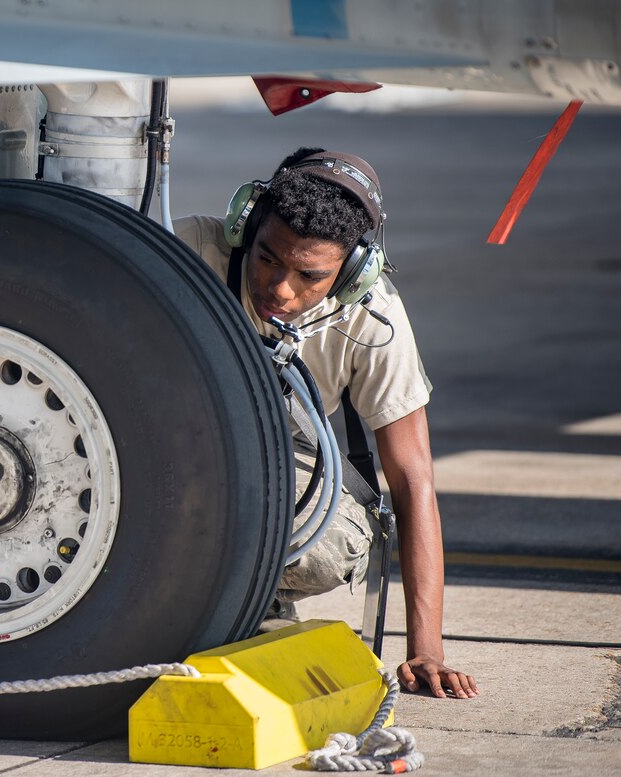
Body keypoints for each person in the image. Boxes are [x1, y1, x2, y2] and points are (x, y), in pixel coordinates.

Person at [174, 147, 478, 700]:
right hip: (167, 448)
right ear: (247, 224)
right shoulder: (188, 252)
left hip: (269, 465)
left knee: (326, 543)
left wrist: (426, 648)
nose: (280, 289)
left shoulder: (374, 318)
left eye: (310, 276)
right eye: (267, 258)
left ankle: (243, 605)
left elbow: (413, 481)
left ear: (354, 272)